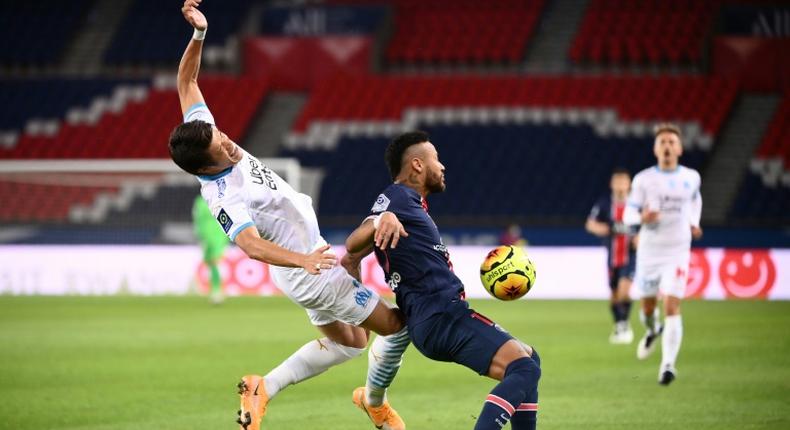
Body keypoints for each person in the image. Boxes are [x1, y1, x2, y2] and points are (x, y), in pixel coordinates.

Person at [169, 2, 409, 429]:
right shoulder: (223, 194)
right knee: (395, 325)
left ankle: (264, 387)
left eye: (221, 134)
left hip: (307, 264)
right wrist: (304, 261)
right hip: (308, 269)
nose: (227, 143)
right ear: (204, 168)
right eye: (219, 149)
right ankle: (376, 404)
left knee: (355, 343)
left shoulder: (203, 134)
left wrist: (199, 34)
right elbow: (249, 245)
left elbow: (186, 81)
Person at [344, 131, 541, 430]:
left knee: (529, 359)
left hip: (438, 317)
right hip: (441, 316)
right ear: (418, 165)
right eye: (436, 158)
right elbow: (351, 244)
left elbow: (352, 258)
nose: (443, 166)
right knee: (523, 368)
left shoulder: (410, 204)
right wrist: (378, 221)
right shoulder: (397, 197)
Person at [623, 123, 703, 385]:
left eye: (671, 142)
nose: (667, 146)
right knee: (647, 309)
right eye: (663, 142)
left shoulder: (691, 177)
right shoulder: (644, 179)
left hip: (678, 251)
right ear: (656, 148)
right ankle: (652, 329)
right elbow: (628, 213)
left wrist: (694, 222)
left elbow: (695, 200)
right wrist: (642, 217)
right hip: (649, 252)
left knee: (671, 305)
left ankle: (668, 365)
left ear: (679, 148)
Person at [585, 168, 637, 344]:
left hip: (631, 256)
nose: (621, 185)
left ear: (629, 184)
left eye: (624, 181)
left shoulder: (637, 204)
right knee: (614, 294)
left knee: (624, 291)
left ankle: (624, 324)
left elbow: (649, 225)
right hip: (613, 256)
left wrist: (640, 238)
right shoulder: (605, 203)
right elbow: (591, 224)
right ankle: (619, 325)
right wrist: (606, 229)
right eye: (618, 182)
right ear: (612, 184)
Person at [192, 195, 229, 304]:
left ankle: (217, 291)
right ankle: (212, 288)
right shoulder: (199, 201)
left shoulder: (222, 198)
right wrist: (199, 233)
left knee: (214, 261)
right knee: (210, 262)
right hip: (206, 235)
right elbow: (197, 219)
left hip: (218, 234)